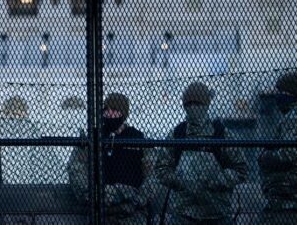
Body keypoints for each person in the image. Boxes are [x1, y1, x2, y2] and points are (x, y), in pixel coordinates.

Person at [155, 81, 247, 225]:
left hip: (218, 213)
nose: (193, 108)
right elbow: (161, 168)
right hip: (184, 213)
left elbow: (241, 169)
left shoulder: (220, 133)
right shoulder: (178, 133)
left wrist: (218, 181)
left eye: (197, 104)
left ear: (206, 105)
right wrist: (182, 183)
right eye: (189, 104)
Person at [67, 93, 157, 224]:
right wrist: (92, 195)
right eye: (106, 110)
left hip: (132, 213)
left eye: (114, 110)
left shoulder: (137, 139)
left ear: (123, 114)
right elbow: (75, 167)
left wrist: (136, 198)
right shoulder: (94, 137)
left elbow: (153, 174)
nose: (109, 114)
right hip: (99, 211)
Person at [259, 72, 297, 224]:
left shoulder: (293, 117)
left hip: (288, 195)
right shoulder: (288, 117)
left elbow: (291, 152)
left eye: (282, 92)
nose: (278, 97)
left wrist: (265, 157)